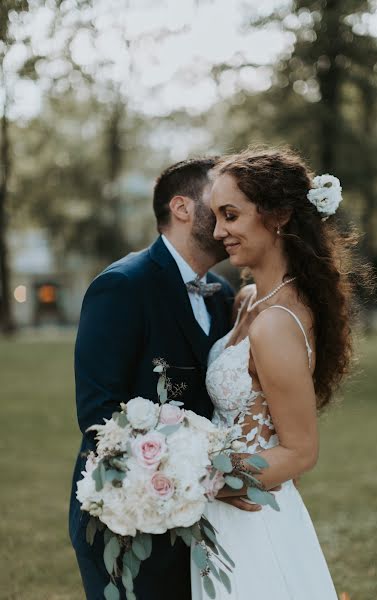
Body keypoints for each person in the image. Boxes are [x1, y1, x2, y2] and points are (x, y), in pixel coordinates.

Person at [191, 147, 360, 599]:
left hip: (251, 514)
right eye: (215, 215)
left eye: (231, 215)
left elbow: (301, 452)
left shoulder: (275, 324)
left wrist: (202, 479)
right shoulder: (248, 300)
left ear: (279, 216)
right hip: (225, 508)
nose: (219, 230)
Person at [69, 157, 236, 600]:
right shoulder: (122, 286)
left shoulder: (225, 296)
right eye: (219, 204)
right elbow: (98, 411)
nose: (228, 217)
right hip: (128, 520)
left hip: (204, 515)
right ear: (181, 208)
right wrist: (174, 472)